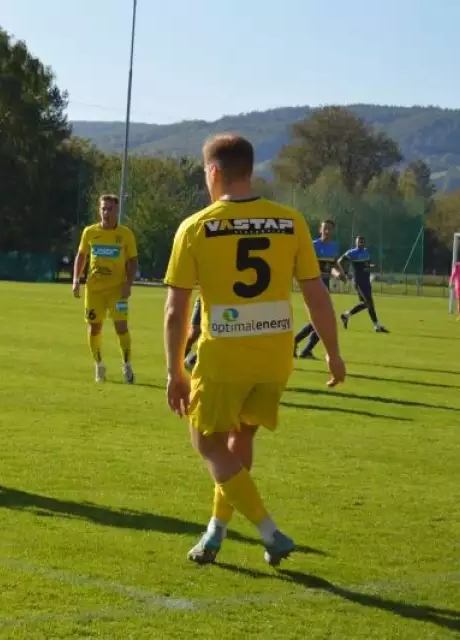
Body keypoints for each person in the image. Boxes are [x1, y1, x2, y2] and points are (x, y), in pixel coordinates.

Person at [163, 134, 345, 567]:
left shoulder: (196, 227)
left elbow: (176, 309)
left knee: (206, 444)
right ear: (250, 169)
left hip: (225, 356)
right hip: (274, 355)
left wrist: (173, 370)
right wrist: (333, 353)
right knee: (238, 439)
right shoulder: (291, 221)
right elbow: (317, 296)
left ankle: (269, 530)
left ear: (213, 172)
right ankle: (216, 531)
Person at [72, 194, 138, 384]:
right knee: (94, 328)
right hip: (94, 291)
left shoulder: (125, 234)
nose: (106, 212)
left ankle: (127, 365)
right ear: (98, 210)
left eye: (110, 209)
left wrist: (128, 284)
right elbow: (81, 255)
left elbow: (133, 262)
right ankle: (99, 365)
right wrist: (76, 279)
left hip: (118, 290)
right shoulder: (90, 232)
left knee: (121, 328)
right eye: (103, 208)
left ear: (117, 211)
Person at [294, 220, 341, 359]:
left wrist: (338, 274)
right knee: (324, 319)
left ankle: (300, 346)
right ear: (320, 230)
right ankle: (304, 348)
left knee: (320, 321)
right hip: (313, 286)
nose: (327, 231)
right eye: (325, 228)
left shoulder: (333, 247)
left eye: (330, 229)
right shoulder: (313, 245)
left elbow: (331, 265)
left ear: (333, 231)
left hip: (325, 286)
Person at [337, 236, 389, 333]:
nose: (360, 244)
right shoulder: (352, 253)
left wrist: (373, 267)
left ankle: (346, 315)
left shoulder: (366, 253)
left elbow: (367, 265)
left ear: (364, 243)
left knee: (366, 304)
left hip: (366, 281)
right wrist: (345, 272)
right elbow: (340, 261)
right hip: (359, 282)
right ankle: (377, 326)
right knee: (369, 303)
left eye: (362, 242)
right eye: (359, 242)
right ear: (355, 243)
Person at [183, 298, 202, 371]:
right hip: (204, 300)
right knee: (194, 333)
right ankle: (177, 363)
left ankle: (196, 359)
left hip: (230, 302)